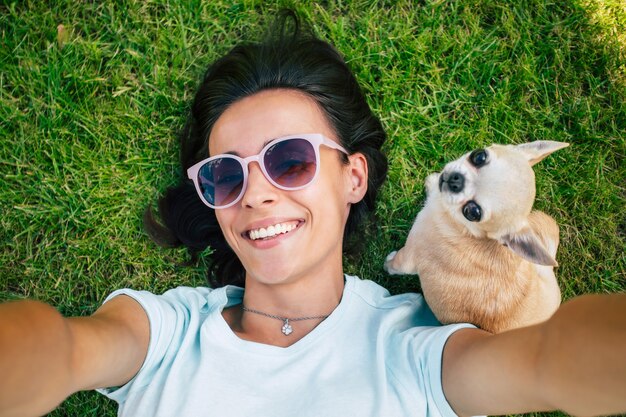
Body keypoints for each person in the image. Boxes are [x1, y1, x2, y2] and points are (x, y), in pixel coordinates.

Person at [1, 12, 625, 417]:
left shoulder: (410, 344)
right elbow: (60, 350)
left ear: (353, 176)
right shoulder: (168, 334)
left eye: (290, 160)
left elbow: (549, 362)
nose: (256, 193)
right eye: (226, 173)